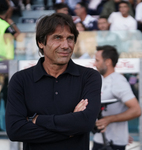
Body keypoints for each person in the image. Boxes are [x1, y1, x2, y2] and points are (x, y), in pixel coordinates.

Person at [6, 13, 102, 150]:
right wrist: (70, 129)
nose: (65, 45)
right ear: (40, 42)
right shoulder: (21, 80)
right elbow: (15, 130)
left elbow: (86, 123)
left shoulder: (89, 77)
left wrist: (37, 120)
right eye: (57, 38)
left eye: (70, 39)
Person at [93, 45, 141, 150]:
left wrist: (109, 120)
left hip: (114, 143)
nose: (94, 64)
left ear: (108, 62)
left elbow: (137, 110)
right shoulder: (99, 79)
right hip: (98, 139)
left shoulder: (119, 81)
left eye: (97, 60)